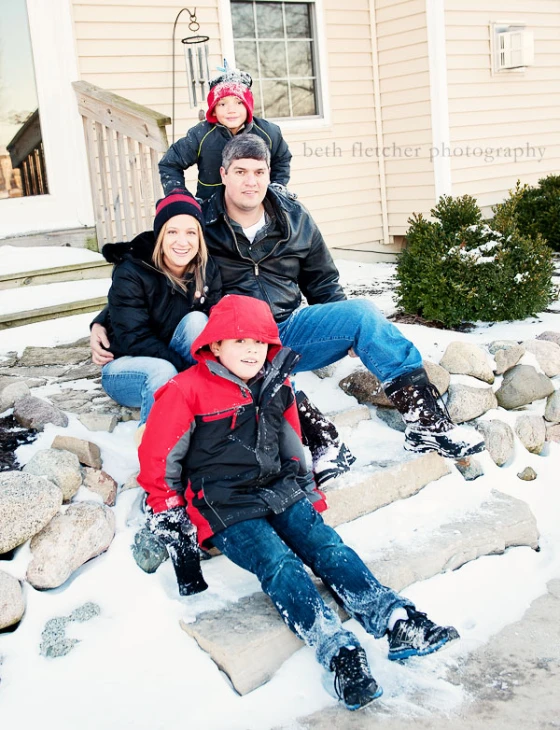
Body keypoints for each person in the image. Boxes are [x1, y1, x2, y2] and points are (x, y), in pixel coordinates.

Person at [137, 294, 460, 711]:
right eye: (239, 341)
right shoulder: (185, 391)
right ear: (214, 345)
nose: (252, 350)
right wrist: (169, 510)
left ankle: (394, 618)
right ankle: (338, 651)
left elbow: (291, 441)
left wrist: (306, 488)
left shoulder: (276, 381)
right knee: (279, 563)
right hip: (225, 505)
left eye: (260, 341)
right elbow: (159, 458)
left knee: (327, 546)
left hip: (279, 488)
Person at [196, 134, 485, 460]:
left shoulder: (292, 216)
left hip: (290, 328)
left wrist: (340, 326)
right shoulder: (203, 224)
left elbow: (321, 277)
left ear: (268, 173)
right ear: (223, 174)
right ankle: (316, 435)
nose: (251, 182)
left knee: (361, 313)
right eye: (241, 172)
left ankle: (426, 421)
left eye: (259, 172)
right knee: (250, 360)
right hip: (238, 338)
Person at [95, 192, 222, 428]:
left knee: (197, 320)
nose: (182, 242)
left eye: (190, 232)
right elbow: (134, 338)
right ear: (160, 235)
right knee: (164, 371)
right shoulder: (132, 271)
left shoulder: (206, 268)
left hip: (173, 355)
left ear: (200, 236)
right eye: (172, 232)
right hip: (127, 364)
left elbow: (216, 321)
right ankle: (158, 451)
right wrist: (188, 370)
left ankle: (210, 426)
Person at [158, 66, 292, 201]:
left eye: (239, 102)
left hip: (255, 205)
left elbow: (282, 159)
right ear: (213, 110)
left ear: (248, 106)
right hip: (213, 210)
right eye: (222, 104)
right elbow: (170, 164)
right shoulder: (200, 135)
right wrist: (180, 196)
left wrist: (276, 186)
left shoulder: (269, 132)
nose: (231, 110)